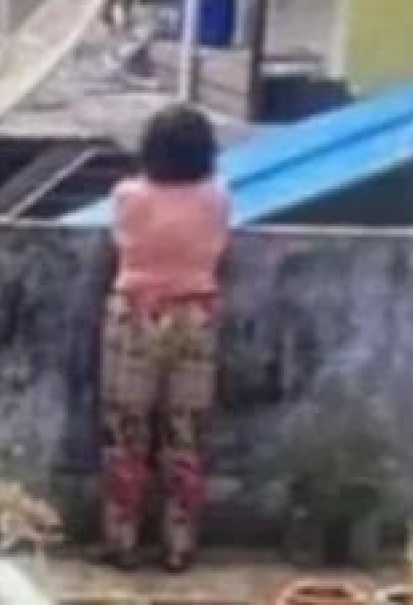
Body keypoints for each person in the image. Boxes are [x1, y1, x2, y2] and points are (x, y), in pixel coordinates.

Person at [100, 103, 231, 572]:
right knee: (185, 437)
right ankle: (179, 545)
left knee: (127, 433)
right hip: (196, 317)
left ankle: (122, 540)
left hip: (135, 317)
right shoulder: (217, 197)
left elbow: (120, 244)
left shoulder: (128, 196)